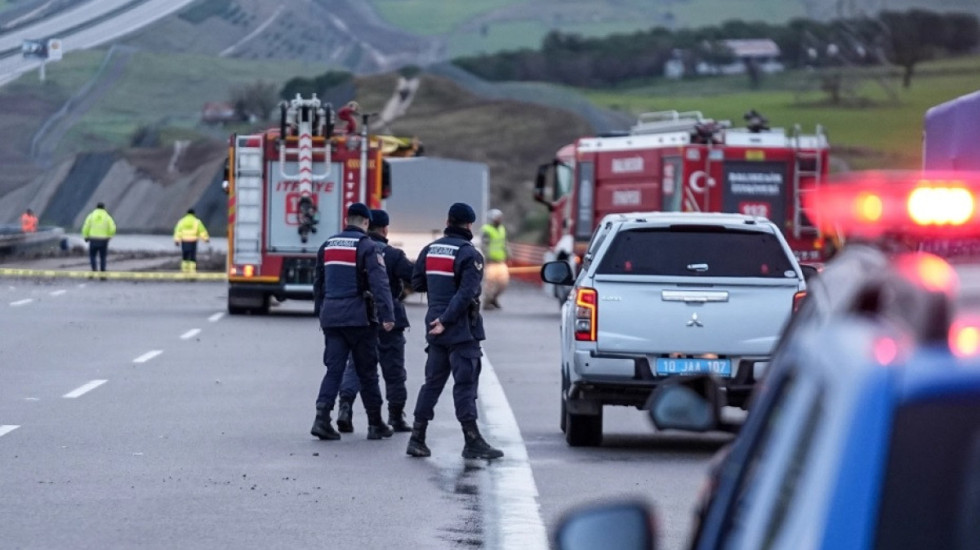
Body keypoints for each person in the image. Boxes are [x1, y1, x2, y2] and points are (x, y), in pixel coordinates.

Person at [406, 202, 504, 460]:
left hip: (434, 327)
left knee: (432, 384)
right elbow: (466, 293)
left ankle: (417, 438)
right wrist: (447, 319)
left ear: (447, 221)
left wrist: (438, 306)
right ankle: (472, 441)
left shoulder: (430, 249)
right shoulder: (469, 254)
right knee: (465, 385)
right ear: (469, 225)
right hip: (460, 330)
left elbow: (417, 283)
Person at [310, 203, 396, 441]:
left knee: (333, 370)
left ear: (346, 220)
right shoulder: (367, 246)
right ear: (366, 223)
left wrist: (321, 311)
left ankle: (321, 419)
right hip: (359, 319)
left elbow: (318, 283)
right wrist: (388, 315)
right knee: (367, 372)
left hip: (331, 318)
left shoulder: (328, 245)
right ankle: (375, 423)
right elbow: (380, 283)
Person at [336, 209, 415, 434]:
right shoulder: (393, 255)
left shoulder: (355, 250)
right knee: (394, 370)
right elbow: (415, 277)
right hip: (390, 318)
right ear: (385, 229)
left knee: (356, 366)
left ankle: (345, 407)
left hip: (359, 315)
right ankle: (396, 416)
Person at [480, 208, 510, 310]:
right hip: (491, 262)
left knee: (503, 283)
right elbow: (484, 245)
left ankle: (494, 298)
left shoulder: (502, 229)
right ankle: (487, 302)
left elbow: (505, 243)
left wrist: (508, 254)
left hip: (501, 261)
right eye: (497, 218)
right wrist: (486, 257)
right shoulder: (486, 230)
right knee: (490, 284)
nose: (499, 219)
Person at [81, 202, 116, 275]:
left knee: (92, 255)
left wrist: (86, 236)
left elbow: (86, 226)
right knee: (103, 257)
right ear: (104, 208)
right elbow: (113, 228)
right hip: (103, 240)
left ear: (96, 207)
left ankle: (94, 269)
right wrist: (110, 236)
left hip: (93, 239)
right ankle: (102, 272)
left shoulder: (91, 216)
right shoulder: (107, 217)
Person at [173, 208, 210, 273]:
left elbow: (178, 231)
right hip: (193, 241)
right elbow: (202, 231)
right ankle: (192, 270)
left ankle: (184, 269)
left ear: (187, 213)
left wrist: (177, 240)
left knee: (185, 255)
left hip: (184, 241)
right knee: (192, 255)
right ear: (194, 214)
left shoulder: (182, 221)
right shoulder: (197, 221)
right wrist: (206, 239)